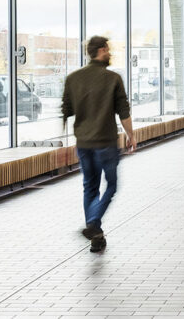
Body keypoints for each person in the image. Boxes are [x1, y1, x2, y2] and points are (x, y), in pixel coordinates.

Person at [62, 35, 135, 253]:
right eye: (108, 49)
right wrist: (131, 135)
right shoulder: (113, 78)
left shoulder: (73, 78)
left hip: (83, 143)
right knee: (111, 185)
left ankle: (96, 236)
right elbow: (124, 111)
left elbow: (66, 112)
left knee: (90, 187)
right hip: (106, 143)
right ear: (102, 50)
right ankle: (93, 223)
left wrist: (62, 145)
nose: (110, 53)